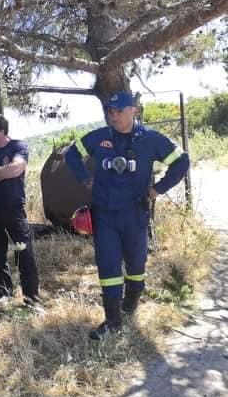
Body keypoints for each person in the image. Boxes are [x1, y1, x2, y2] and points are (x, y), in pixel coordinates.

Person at [65, 91, 190, 340]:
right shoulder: (100, 137)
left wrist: (157, 189)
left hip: (135, 213)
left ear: (134, 110)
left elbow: (181, 162)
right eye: (110, 112)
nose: (114, 116)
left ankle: (130, 304)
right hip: (104, 215)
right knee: (108, 265)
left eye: (119, 111)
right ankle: (113, 321)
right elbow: (71, 154)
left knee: (136, 264)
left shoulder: (150, 139)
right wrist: (85, 179)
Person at [0, 114, 42, 307]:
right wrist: (3, 171)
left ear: (1, 131)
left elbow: (15, 170)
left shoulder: (18, 146)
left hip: (14, 209)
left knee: (24, 251)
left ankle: (31, 298)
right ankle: (3, 293)